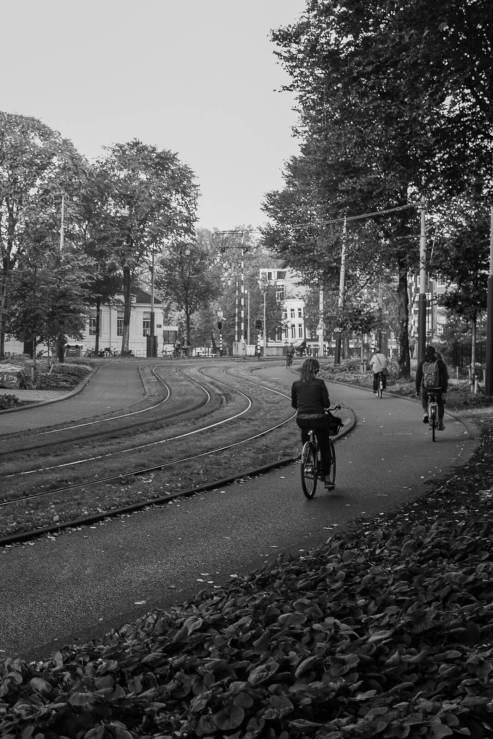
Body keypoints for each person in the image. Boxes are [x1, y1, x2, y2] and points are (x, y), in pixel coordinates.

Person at [291, 357, 334, 488]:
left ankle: (308, 458)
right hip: (319, 419)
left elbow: (294, 404)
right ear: (316, 370)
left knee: (306, 436)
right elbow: (326, 403)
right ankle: (326, 478)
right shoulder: (320, 383)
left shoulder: (296, 384)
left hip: (302, 420)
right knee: (325, 447)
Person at [415, 344, 449, 430]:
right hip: (438, 388)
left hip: (427, 388)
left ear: (425, 353)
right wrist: (444, 389)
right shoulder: (440, 363)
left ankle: (426, 412)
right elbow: (445, 377)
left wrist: (417, 390)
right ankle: (440, 422)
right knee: (440, 402)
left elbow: (418, 377)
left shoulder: (422, 363)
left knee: (424, 397)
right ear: (434, 353)